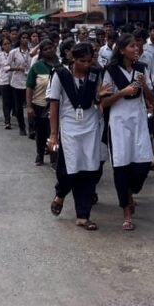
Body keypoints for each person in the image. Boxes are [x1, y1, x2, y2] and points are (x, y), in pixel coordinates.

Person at [100, 34, 154, 231]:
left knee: (142, 164)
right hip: (118, 123)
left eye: (137, 45)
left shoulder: (142, 69)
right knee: (121, 166)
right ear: (122, 50)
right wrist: (122, 92)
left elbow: (152, 99)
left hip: (138, 121)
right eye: (132, 46)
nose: (136, 49)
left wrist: (143, 85)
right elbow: (104, 102)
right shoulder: (110, 71)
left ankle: (132, 191)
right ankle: (126, 210)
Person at [48, 42, 106, 230]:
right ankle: (61, 193)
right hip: (69, 128)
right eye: (82, 61)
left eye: (90, 61)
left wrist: (100, 97)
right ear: (73, 58)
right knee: (69, 170)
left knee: (90, 171)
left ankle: (83, 215)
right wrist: (54, 134)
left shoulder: (95, 74)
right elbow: (54, 105)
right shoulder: (60, 74)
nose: (87, 65)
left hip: (90, 127)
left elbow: (97, 99)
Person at [27, 40, 60, 167]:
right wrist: (29, 106)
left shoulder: (60, 66)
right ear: (41, 52)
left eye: (51, 47)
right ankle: (40, 154)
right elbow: (29, 87)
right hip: (40, 105)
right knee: (41, 133)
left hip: (55, 106)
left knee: (53, 132)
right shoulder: (36, 66)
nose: (49, 51)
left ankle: (54, 157)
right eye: (46, 49)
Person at [7, 34, 32, 136]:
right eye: (23, 38)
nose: (25, 40)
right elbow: (6, 67)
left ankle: (32, 128)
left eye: (27, 38)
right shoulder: (14, 52)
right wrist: (17, 68)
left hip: (30, 83)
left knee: (31, 106)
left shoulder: (33, 52)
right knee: (18, 107)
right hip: (17, 82)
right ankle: (22, 127)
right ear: (20, 39)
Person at [0, 37, 15, 129]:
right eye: (5, 44)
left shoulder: (15, 54)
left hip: (14, 81)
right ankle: (7, 120)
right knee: (6, 101)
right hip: (3, 81)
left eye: (8, 43)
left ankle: (11, 114)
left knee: (12, 102)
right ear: (2, 46)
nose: (7, 46)